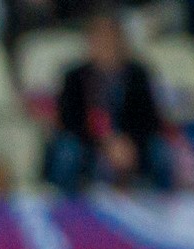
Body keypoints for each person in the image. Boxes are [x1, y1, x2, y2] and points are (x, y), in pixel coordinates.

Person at [46, 11, 172, 193]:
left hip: (129, 143)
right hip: (88, 143)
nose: (106, 45)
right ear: (91, 43)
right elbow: (68, 120)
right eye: (100, 40)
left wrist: (129, 143)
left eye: (111, 39)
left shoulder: (138, 75)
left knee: (160, 150)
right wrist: (105, 143)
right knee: (67, 151)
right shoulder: (74, 77)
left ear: (121, 42)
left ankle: (161, 207)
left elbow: (150, 119)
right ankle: (67, 208)